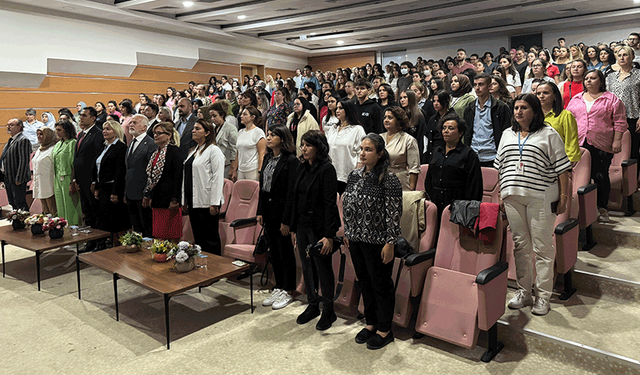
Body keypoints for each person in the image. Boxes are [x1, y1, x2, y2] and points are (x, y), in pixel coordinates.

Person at [496, 93, 571, 316]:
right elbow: (502, 166)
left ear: (535, 111)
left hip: (541, 197)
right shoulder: (507, 134)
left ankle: (543, 296)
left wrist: (564, 199)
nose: (518, 111)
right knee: (520, 246)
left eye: (524, 107)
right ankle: (524, 292)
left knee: (542, 248)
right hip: (512, 196)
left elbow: (563, 170)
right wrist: (501, 193)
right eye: (516, 107)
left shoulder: (548, 134)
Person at [342, 133, 402, 350]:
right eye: (362, 149)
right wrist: (348, 232)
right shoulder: (355, 175)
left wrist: (390, 242)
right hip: (356, 239)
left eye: (368, 150)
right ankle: (370, 323)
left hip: (378, 242)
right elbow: (348, 206)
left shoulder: (389, 179)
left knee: (381, 285)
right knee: (364, 282)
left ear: (379, 154)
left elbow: (394, 214)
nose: (363, 153)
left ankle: (385, 330)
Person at [290, 130, 341, 331]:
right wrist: (293, 227)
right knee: (307, 266)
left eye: (308, 145)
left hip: (320, 228)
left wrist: (329, 235)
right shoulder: (302, 167)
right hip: (302, 225)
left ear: (318, 147)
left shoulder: (327, 169)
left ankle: (329, 310)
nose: (304, 149)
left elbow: (330, 204)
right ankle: (313, 304)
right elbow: (295, 198)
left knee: (323, 268)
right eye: (302, 145)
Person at [567, 70, 628, 222]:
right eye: (586, 78)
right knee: (583, 178)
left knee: (600, 175)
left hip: (601, 143)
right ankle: (586, 209)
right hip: (579, 143)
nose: (588, 80)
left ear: (600, 81)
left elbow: (620, 121)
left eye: (592, 78)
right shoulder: (576, 99)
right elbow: (568, 120)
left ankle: (602, 207)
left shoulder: (611, 99)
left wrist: (617, 140)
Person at [256, 125, 300, 310]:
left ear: (282, 139)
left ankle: (288, 289)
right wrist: (260, 211)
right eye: (268, 134)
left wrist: (287, 221)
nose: (269, 137)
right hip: (268, 210)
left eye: (273, 135)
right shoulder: (267, 157)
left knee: (285, 252)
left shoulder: (291, 161)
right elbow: (263, 187)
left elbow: (292, 193)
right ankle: (279, 285)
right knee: (273, 251)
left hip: (282, 213)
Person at [424, 113, 483, 217]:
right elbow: (429, 178)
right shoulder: (436, 151)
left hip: (458, 204)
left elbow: (474, 185)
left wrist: (467, 207)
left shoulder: (468, 154)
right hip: (435, 203)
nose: (446, 131)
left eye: (450, 128)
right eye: (444, 128)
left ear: (460, 133)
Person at [183, 119, 225, 254]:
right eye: (193, 128)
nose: (193, 131)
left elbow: (217, 178)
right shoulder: (194, 150)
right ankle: (202, 268)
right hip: (193, 200)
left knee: (210, 238)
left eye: (197, 128)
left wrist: (215, 202)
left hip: (206, 201)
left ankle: (215, 270)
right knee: (198, 237)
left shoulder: (214, 150)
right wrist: (184, 199)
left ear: (207, 133)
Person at [143, 122, 183, 241]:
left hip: (170, 199)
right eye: (155, 133)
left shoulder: (174, 152)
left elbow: (178, 176)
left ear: (169, 135)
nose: (155, 136)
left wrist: (175, 199)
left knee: (171, 235)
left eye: (159, 133)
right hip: (157, 197)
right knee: (159, 235)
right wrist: (148, 194)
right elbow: (151, 176)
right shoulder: (156, 152)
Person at [92, 120, 130, 242]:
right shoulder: (104, 147)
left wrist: (115, 192)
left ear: (116, 131)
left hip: (113, 188)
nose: (104, 131)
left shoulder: (120, 147)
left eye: (108, 129)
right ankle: (106, 243)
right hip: (103, 187)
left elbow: (120, 171)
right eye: (104, 129)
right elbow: (98, 169)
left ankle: (117, 244)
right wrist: (97, 187)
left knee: (115, 219)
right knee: (104, 218)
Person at [463, 73, 512, 167]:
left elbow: (507, 132)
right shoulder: (470, 108)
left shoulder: (500, 107)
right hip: (473, 155)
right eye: (475, 85)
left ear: (489, 86)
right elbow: (467, 133)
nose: (477, 88)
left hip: (493, 156)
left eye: (481, 84)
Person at [73, 107, 105, 251]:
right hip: (81, 180)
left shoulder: (97, 134)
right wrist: (75, 179)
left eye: (84, 116)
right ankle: (90, 241)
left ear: (93, 118)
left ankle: (100, 242)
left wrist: (94, 181)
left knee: (96, 211)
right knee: (87, 211)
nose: (81, 118)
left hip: (91, 180)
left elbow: (97, 159)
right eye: (80, 116)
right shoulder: (81, 134)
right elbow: (77, 158)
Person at [606, 46, 640, 173]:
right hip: (612, 119)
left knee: (633, 151)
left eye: (625, 55)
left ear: (631, 57)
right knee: (615, 152)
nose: (622, 58)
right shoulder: (610, 77)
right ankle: (618, 182)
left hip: (633, 118)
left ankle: (633, 182)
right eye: (619, 55)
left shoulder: (638, 75)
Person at [125, 114, 156, 237]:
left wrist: (147, 194)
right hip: (130, 192)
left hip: (142, 193)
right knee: (136, 226)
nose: (130, 125)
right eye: (130, 122)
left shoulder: (150, 144)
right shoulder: (131, 143)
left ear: (144, 127)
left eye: (135, 123)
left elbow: (151, 172)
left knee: (146, 226)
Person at [325, 100, 367, 194]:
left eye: (341, 108)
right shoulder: (333, 128)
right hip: (332, 174)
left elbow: (361, 153)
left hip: (348, 175)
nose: (337, 110)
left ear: (348, 110)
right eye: (337, 108)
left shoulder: (357, 129)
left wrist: (357, 174)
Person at [535, 82, 581, 164]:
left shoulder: (566, 115)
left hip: (559, 162)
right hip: (537, 162)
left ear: (555, 96)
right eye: (538, 93)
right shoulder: (532, 116)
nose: (541, 96)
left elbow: (571, 142)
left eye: (545, 93)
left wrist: (569, 165)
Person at [381, 107, 420, 190]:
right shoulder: (379, 138)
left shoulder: (409, 140)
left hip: (400, 181)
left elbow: (414, 169)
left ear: (399, 121)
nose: (386, 120)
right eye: (385, 117)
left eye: (390, 118)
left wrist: (411, 192)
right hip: (381, 179)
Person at [51, 121, 82, 226]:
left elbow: (74, 164)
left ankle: (74, 228)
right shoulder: (58, 144)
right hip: (57, 177)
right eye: (56, 130)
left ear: (67, 130)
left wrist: (73, 182)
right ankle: (63, 228)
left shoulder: (73, 143)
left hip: (68, 177)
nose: (57, 132)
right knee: (60, 205)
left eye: (59, 130)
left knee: (70, 205)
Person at [1, 119, 32, 210]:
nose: (8, 127)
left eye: (11, 125)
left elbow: (24, 160)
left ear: (20, 126)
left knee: (19, 202)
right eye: (7, 125)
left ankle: (24, 222)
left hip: (17, 178)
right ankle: (17, 222)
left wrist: (19, 178)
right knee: (12, 202)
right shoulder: (11, 140)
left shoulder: (23, 140)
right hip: (8, 177)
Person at [235, 106, 266, 181]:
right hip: (241, 169)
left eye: (245, 114)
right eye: (241, 114)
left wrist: (260, 170)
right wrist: (234, 169)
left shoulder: (258, 132)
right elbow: (237, 153)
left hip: (252, 169)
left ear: (252, 117)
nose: (241, 116)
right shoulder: (240, 132)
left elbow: (261, 153)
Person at [32, 127, 58, 215]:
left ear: (48, 135)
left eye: (41, 134)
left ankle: (55, 226)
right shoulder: (40, 148)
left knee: (53, 210)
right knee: (45, 211)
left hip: (50, 183)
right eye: (38, 134)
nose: (39, 136)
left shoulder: (54, 148)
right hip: (39, 183)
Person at [209, 102, 238, 179]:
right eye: (211, 116)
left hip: (227, 166)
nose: (212, 119)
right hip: (214, 164)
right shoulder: (213, 129)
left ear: (222, 115)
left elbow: (234, 150)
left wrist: (233, 169)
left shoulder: (230, 128)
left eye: (214, 116)